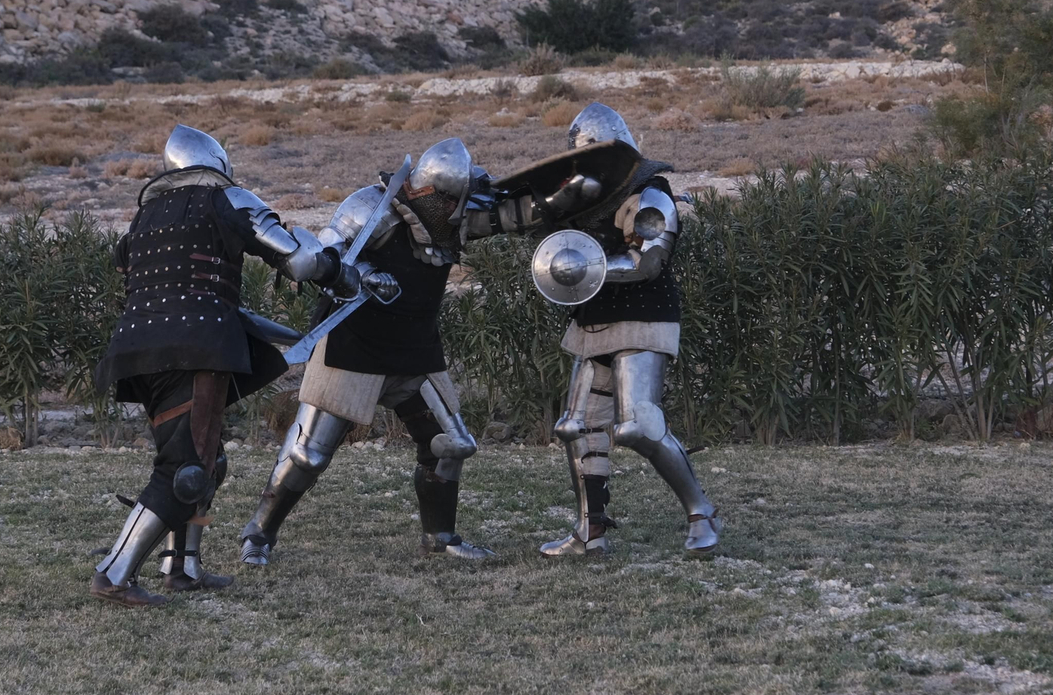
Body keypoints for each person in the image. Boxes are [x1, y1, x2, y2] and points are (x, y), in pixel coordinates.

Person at [89, 124, 378, 607]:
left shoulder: (144, 219)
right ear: (216, 164)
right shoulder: (227, 200)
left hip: (139, 352)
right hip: (194, 348)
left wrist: (287, 336)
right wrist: (341, 273)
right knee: (185, 470)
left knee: (207, 460)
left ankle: (182, 567)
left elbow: (189, 293)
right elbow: (298, 258)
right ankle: (114, 574)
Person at [239, 137, 539, 566]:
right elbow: (323, 260)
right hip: (354, 344)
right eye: (452, 200)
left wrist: (565, 196)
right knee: (308, 455)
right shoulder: (370, 208)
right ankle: (258, 534)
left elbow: (513, 216)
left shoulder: (455, 218)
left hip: (415, 346)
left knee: (450, 444)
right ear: (431, 194)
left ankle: (440, 538)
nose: (458, 210)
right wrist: (363, 274)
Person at [537, 103, 721, 558]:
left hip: (643, 315)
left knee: (638, 425)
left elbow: (648, 260)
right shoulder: (578, 198)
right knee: (576, 427)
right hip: (592, 321)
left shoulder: (650, 189)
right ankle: (589, 531)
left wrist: (584, 268)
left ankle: (701, 512)